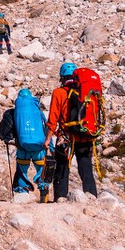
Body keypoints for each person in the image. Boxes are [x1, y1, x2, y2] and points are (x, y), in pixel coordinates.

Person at [45, 62, 98, 201]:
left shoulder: (59, 93)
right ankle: (92, 196)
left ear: (62, 77)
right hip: (85, 136)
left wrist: (48, 139)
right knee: (86, 168)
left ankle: (60, 198)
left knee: (62, 169)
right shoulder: (85, 92)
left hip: (66, 138)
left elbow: (53, 119)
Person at [0, 88, 48, 199]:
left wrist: (5, 138)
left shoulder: (14, 112)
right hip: (39, 148)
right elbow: (46, 127)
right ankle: (44, 191)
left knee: (22, 170)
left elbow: (7, 128)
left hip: (22, 148)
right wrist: (49, 145)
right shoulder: (38, 112)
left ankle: (22, 193)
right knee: (41, 170)